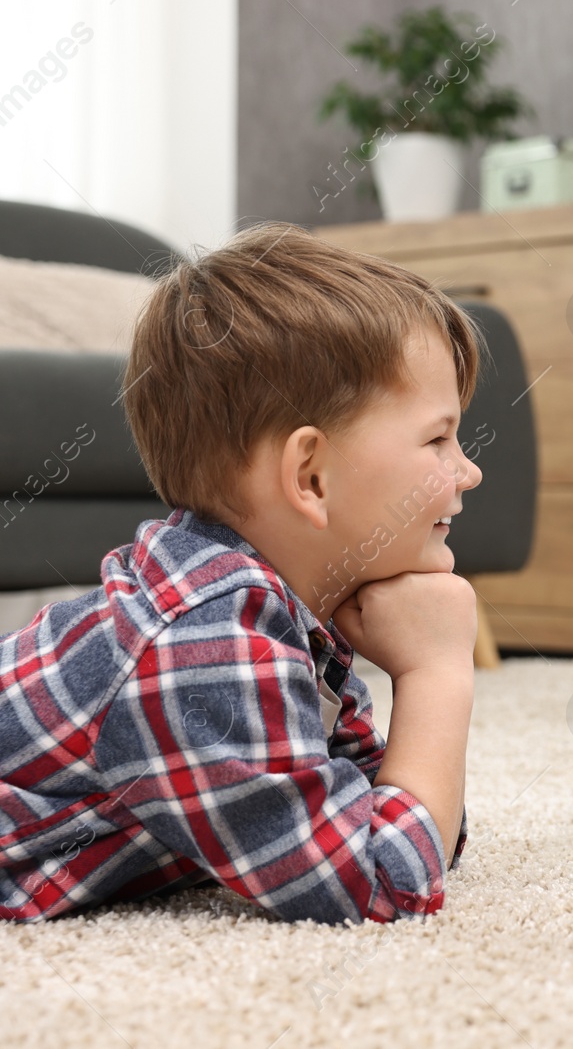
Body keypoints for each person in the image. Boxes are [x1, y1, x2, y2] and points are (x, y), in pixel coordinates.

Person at [0, 224, 483, 924]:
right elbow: (377, 882)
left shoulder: (275, 609)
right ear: (310, 476)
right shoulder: (206, 642)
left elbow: (402, 816)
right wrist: (438, 674)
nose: (469, 468)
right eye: (438, 437)